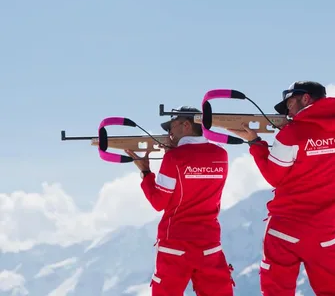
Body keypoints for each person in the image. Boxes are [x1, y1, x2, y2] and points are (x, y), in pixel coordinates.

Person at [228, 81, 335, 296]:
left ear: (305, 98)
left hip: (287, 229)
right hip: (328, 230)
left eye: (290, 103)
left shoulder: (290, 135)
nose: (288, 110)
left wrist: (254, 142)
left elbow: (274, 176)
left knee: (277, 289)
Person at [125, 106, 234, 296]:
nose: (169, 134)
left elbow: (159, 202)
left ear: (186, 125)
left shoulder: (174, 158)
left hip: (175, 244)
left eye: (171, 127)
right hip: (209, 243)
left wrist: (145, 172)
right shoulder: (221, 155)